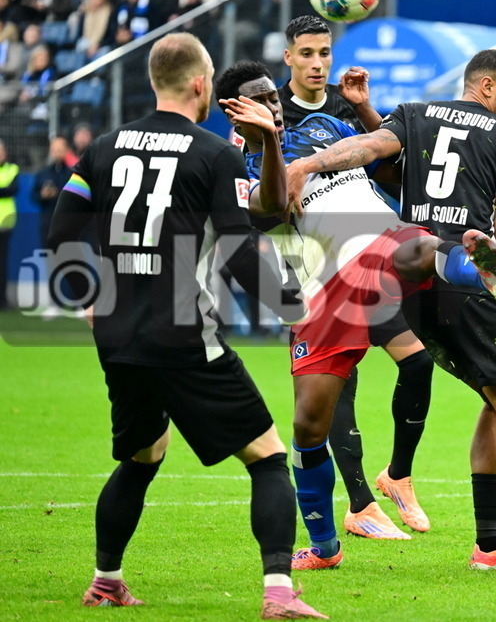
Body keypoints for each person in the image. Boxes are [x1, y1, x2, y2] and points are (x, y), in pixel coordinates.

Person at [282, 49, 496, 580]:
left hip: (410, 284)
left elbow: (366, 147)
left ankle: (491, 547)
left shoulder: (416, 112)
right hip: (465, 273)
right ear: (488, 85)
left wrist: (306, 164)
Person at [45, 32, 326, 619]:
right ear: (202, 84)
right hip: (183, 336)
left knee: (143, 455)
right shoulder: (212, 155)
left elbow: (59, 240)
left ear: (154, 81)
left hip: (118, 337)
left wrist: (88, 297)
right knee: (269, 458)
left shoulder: (99, 150)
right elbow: (240, 249)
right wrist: (292, 303)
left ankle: (105, 580)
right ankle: (279, 592)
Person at [216, 59, 496, 570]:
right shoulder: (233, 164)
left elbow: (397, 167)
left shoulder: (324, 126)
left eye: (274, 97)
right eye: (261, 101)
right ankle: (326, 546)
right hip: (321, 288)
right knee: (309, 423)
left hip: (376, 240)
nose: (275, 108)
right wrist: (267, 143)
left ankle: (474, 264)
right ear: (234, 112)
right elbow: (268, 212)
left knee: (417, 246)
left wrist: (362, 110)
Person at [276, 15, 440, 542]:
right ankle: (360, 505)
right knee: (336, 388)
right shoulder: (265, 119)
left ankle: (396, 475)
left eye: (324, 51)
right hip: (320, 272)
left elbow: (395, 168)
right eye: (307, 53)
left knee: (417, 363)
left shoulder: (342, 116)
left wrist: (366, 106)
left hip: (370, 253)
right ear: (289, 58)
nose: (318, 63)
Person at [0, 139, 18, 309]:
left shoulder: (12, 169)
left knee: (2, 263)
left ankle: (3, 300)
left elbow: (11, 189)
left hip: (5, 223)